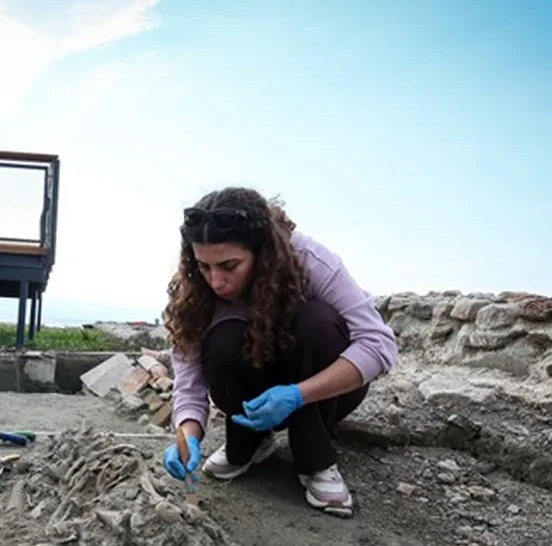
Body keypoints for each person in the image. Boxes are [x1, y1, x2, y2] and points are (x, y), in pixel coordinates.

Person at [159, 187, 397, 516]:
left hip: (322, 388)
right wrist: (188, 433)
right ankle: (248, 443)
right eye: (205, 267)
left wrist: (298, 394)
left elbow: (378, 344)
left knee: (317, 322)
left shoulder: (310, 260)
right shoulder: (196, 292)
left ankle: (315, 459)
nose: (216, 281)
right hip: (250, 386)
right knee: (223, 339)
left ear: (262, 252)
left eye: (230, 266)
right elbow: (189, 376)